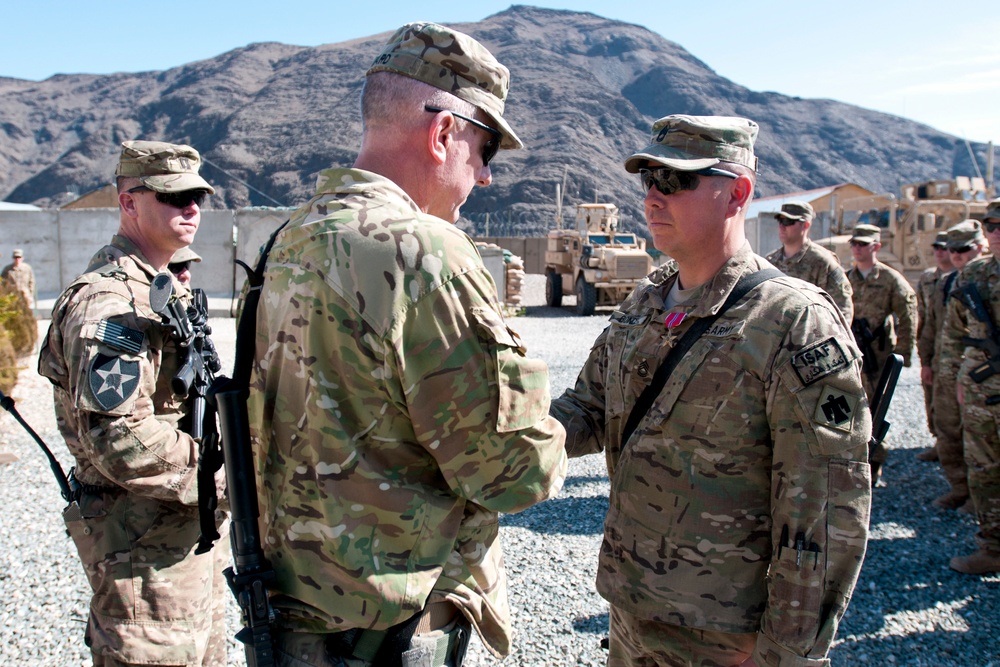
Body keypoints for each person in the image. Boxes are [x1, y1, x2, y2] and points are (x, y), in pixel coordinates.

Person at [245, 22, 568, 667]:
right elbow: (510, 471)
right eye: (485, 151)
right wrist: (561, 434)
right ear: (443, 133)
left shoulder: (288, 238)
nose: (484, 177)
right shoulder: (422, 250)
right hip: (393, 628)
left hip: (294, 617)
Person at [550, 114, 872, 667]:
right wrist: (496, 434)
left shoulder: (792, 321)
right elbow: (587, 408)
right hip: (632, 611)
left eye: (674, 181)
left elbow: (824, 508)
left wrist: (788, 652)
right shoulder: (646, 302)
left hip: (727, 637)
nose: (653, 198)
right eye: (647, 180)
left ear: (736, 194)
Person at [37, 140, 230, 666]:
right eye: (173, 196)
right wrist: (224, 476)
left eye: (197, 196)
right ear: (128, 203)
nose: (190, 207)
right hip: (140, 548)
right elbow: (119, 439)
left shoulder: (161, 288)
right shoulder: (110, 304)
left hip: (183, 535)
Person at [942, 202, 1000, 574]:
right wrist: (958, 379)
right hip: (982, 388)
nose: (996, 231)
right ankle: (993, 547)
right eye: (990, 225)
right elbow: (954, 335)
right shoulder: (974, 275)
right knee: (984, 469)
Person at [847, 223, 918, 479]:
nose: (857, 248)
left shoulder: (889, 279)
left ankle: (875, 460)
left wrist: (903, 353)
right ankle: (854, 457)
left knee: (876, 409)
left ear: (876, 246)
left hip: (878, 356)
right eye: (854, 244)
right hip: (854, 355)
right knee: (851, 406)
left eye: (862, 244)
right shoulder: (847, 278)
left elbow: (907, 314)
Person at [922, 222, 985, 510]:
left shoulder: (987, 281)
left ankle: (981, 497)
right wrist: (926, 363)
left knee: (980, 438)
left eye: (964, 249)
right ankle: (960, 488)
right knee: (947, 431)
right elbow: (932, 327)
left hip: (980, 375)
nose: (957, 255)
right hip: (946, 371)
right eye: (953, 249)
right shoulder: (946, 283)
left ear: (980, 247)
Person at [765, 200, 854, 321]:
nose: (782, 226)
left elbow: (842, 308)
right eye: (780, 221)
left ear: (806, 225)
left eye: (788, 221)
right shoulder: (770, 261)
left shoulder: (822, 262)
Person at [915, 231, 955, 462]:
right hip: (935, 349)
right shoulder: (929, 278)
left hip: (955, 353)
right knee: (933, 399)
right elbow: (924, 318)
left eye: (944, 247)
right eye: (936, 247)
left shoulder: (966, 277)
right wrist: (924, 359)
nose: (940, 252)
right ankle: (939, 442)